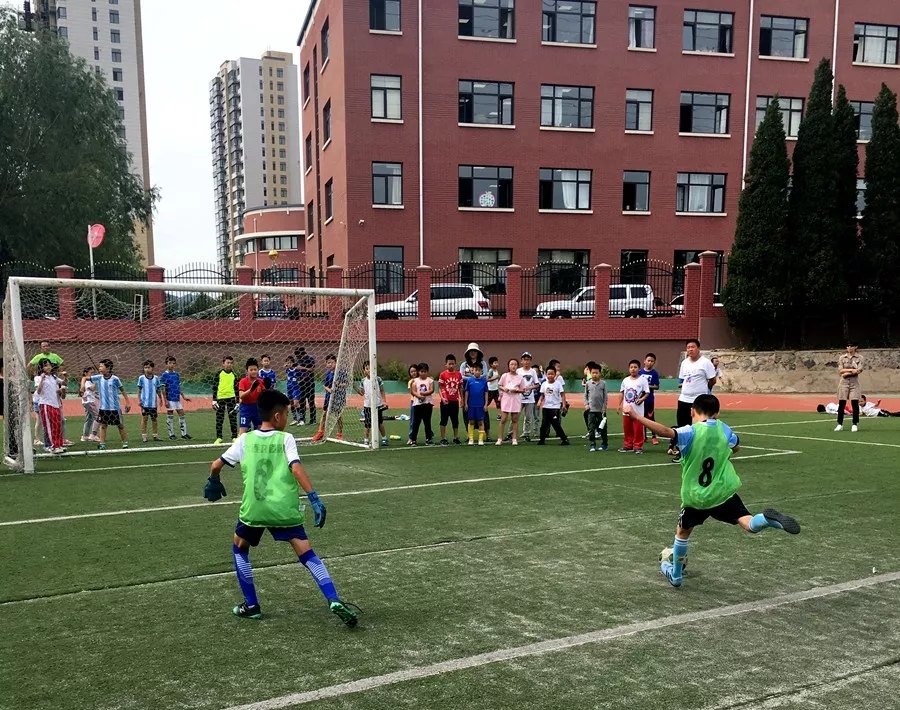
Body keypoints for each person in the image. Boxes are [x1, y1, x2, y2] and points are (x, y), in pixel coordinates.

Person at [204, 389, 359, 625]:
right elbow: (295, 468)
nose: (287, 418)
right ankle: (333, 599)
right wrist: (313, 497)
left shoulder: (245, 440)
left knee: (240, 547)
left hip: (255, 509)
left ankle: (251, 605)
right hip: (284, 510)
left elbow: (216, 465)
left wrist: (214, 480)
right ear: (277, 416)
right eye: (287, 413)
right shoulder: (285, 438)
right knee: (307, 554)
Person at [623, 394, 800, 588]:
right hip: (723, 492)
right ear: (717, 413)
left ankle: (676, 576)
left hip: (697, 497)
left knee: (682, 533)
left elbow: (666, 432)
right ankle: (768, 520)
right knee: (747, 522)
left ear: (692, 411)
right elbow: (735, 446)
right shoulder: (724, 429)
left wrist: (636, 416)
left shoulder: (690, 431)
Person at [670, 339, 717, 462]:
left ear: (698, 348)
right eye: (688, 347)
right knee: (682, 427)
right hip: (684, 399)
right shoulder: (684, 363)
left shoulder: (705, 363)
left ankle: (701, 453)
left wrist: (705, 390)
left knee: (700, 427)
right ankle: (682, 454)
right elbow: (682, 380)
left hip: (699, 401)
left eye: (693, 347)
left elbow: (712, 380)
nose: (690, 349)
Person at [92, 359, 131, 450]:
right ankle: (102, 444)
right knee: (103, 426)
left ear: (108, 368)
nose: (99, 368)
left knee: (120, 425)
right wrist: (82, 385)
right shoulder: (99, 378)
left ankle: (125, 443)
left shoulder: (115, 379)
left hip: (115, 408)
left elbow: (122, 390)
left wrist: (128, 402)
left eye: (101, 366)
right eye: (99, 366)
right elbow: (85, 378)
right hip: (103, 408)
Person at [617, 359, 650, 454]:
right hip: (626, 409)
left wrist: (642, 399)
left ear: (639, 369)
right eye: (631, 367)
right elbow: (622, 392)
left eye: (635, 367)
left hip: (638, 411)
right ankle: (628, 445)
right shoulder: (625, 380)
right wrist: (619, 404)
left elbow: (647, 392)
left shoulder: (643, 380)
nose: (633, 369)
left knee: (638, 428)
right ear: (629, 369)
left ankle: (638, 446)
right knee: (627, 429)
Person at [312, 354, 346, 441]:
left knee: (338, 416)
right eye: (328, 363)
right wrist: (329, 390)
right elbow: (325, 385)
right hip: (328, 397)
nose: (329, 364)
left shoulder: (341, 372)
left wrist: (339, 385)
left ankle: (339, 434)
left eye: (331, 362)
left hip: (338, 397)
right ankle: (320, 432)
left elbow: (346, 384)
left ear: (336, 362)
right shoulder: (328, 373)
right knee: (324, 414)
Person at [34, 358, 65, 453]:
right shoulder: (38, 378)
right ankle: (52, 446)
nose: (48, 367)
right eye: (45, 365)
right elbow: (38, 391)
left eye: (49, 365)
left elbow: (63, 383)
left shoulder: (53, 377)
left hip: (55, 404)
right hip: (45, 404)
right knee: (49, 427)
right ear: (41, 368)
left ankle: (59, 445)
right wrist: (42, 379)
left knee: (57, 425)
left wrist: (65, 377)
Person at [461, 343, 491, 440]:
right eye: (471, 351)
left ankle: (487, 434)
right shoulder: (464, 364)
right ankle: (469, 435)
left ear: (478, 353)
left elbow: (485, 375)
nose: (473, 353)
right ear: (468, 353)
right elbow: (461, 376)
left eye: (474, 351)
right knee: (467, 412)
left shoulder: (483, 363)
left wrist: (472, 376)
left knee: (484, 412)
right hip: (467, 390)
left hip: (480, 390)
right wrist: (474, 377)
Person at [354, 360, 387, 447]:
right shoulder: (363, 381)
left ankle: (384, 438)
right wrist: (354, 386)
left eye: (370, 368)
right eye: (367, 368)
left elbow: (382, 390)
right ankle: (366, 439)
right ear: (364, 370)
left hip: (378, 405)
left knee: (379, 423)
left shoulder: (378, 379)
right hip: (367, 406)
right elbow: (361, 393)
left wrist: (384, 401)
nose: (369, 370)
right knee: (367, 424)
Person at [160, 356, 191, 440]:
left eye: (173, 363)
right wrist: (165, 400)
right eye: (170, 363)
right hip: (170, 398)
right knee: (170, 415)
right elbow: (163, 388)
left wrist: (183, 397)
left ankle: (184, 434)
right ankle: (171, 434)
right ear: (166, 364)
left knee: (182, 414)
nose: (172, 365)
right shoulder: (164, 375)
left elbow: (178, 386)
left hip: (177, 398)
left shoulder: (176, 374)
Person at [537, 366, 570, 446]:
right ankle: (542, 439)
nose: (550, 376)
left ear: (555, 375)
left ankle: (564, 439)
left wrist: (564, 405)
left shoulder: (558, 384)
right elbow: (542, 395)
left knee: (556, 424)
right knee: (544, 424)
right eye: (548, 374)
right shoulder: (544, 384)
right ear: (546, 375)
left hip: (555, 407)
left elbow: (562, 395)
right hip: (546, 407)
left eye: (552, 374)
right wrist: (539, 401)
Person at [835, 342, 863, 432]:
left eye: (851, 346)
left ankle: (855, 423)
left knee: (854, 403)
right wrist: (851, 370)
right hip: (843, 383)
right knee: (842, 403)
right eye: (848, 346)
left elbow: (858, 370)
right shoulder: (842, 357)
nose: (849, 347)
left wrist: (846, 373)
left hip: (854, 383)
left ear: (855, 347)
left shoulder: (860, 357)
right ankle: (840, 424)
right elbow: (840, 370)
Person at [496, 358, 524, 446]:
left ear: (517, 366)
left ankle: (514, 438)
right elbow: (499, 385)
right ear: (508, 366)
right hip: (506, 398)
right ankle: (500, 438)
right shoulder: (504, 375)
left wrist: (517, 390)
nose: (513, 366)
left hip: (515, 399)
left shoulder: (520, 377)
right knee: (503, 419)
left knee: (514, 419)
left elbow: (523, 389)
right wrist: (504, 388)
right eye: (511, 364)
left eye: (515, 364)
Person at [212, 355, 239, 444]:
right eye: (227, 363)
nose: (229, 364)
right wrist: (214, 400)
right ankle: (219, 437)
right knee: (219, 419)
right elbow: (215, 387)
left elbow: (237, 389)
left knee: (233, 418)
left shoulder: (234, 375)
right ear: (223, 364)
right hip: (220, 399)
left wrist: (238, 402)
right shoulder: (218, 374)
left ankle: (234, 437)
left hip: (231, 398)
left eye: (231, 363)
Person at [438, 354, 462, 446]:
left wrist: (461, 398)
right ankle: (443, 438)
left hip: (454, 401)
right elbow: (440, 387)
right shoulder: (443, 374)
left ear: (455, 364)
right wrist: (442, 398)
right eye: (449, 364)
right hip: (445, 401)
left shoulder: (458, 374)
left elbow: (460, 387)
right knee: (444, 420)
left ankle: (456, 437)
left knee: (455, 420)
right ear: (446, 364)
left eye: (453, 364)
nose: (451, 365)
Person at [409, 362, 435, 446]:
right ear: (418, 372)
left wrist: (425, 393)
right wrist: (419, 396)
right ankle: (413, 439)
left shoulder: (430, 380)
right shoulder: (415, 381)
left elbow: (432, 389)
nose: (423, 373)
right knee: (416, 422)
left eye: (425, 371)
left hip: (428, 404)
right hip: (417, 404)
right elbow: (413, 391)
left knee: (427, 422)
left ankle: (428, 439)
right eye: (421, 371)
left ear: (427, 372)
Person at [137, 360, 163, 443]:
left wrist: (161, 398)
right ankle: (144, 436)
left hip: (153, 404)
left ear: (152, 368)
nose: (147, 369)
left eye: (148, 367)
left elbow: (158, 389)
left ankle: (155, 435)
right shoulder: (141, 378)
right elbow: (139, 390)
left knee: (154, 419)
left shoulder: (156, 378)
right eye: (145, 367)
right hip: (145, 403)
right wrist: (139, 400)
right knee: (144, 419)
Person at [585, 362, 608, 452]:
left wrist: (604, 408)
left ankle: (604, 444)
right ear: (590, 373)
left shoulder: (603, 383)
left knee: (603, 428)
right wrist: (586, 404)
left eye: (596, 373)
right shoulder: (588, 383)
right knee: (591, 428)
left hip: (601, 411)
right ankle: (592, 444)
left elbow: (605, 397)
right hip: (591, 410)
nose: (595, 374)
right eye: (593, 373)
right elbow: (585, 395)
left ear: (600, 373)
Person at [517, 352, 540, 441]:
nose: (526, 362)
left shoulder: (532, 371)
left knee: (528, 417)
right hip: (519, 397)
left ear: (530, 361)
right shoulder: (518, 371)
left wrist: (529, 387)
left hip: (530, 398)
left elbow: (537, 384)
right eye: (524, 360)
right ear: (521, 361)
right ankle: (510, 433)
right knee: (515, 416)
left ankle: (526, 433)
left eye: (528, 360)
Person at [639, 353, 661, 445]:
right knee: (642, 418)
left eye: (652, 361)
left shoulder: (654, 373)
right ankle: (644, 436)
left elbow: (657, 386)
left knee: (651, 418)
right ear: (644, 361)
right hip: (640, 400)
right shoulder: (639, 372)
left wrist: (648, 386)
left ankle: (654, 436)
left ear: (654, 362)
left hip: (650, 400)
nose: (650, 362)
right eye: (648, 360)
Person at [238, 358, 264, 435]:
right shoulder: (243, 381)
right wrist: (251, 389)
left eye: (255, 369)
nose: (253, 371)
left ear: (258, 370)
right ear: (247, 371)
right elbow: (241, 396)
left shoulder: (260, 381)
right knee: (243, 432)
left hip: (257, 408)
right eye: (251, 370)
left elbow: (264, 395)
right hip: (246, 408)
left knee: (260, 431)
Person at [295, 346, 317, 427]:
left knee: (311, 401)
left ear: (301, 354)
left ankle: (313, 420)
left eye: (298, 356)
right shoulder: (298, 360)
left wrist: (303, 368)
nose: (297, 358)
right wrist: (298, 380)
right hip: (301, 384)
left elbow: (312, 369)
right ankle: (302, 420)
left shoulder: (310, 359)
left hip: (309, 383)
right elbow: (297, 370)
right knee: (302, 402)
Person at [78, 366, 100, 442]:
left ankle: (85, 436)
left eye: (93, 373)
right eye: (91, 373)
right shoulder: (87, 381)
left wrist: (97, 396)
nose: (92, 374)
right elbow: (92, 388)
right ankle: (93, 435)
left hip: (87, 402)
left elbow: (91, 392)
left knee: (89, 419)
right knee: (98, 417)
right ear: (85, 373)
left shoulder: (88, 381)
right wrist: (96, 381)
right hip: (89, 402)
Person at [285, 355, 302, 426]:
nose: (289, 364)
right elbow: (287, 377)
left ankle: (301, 420)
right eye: (287, 363)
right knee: (291, 403)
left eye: (290, 362)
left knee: (296, 403)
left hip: (296, 388)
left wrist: (299, 381)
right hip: (289, 388)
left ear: (293, 363)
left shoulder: (297, 369)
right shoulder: (287, 370)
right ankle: (295, 419)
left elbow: (303, 375)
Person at [486, 356, 501, 421]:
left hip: (495, 389)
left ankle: (499, 415)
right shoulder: (491, 371)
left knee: (498, 402)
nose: (497, 364)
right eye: (495, 363)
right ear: (491, 364)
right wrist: (495, 378)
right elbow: (487, 379)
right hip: (490, 390)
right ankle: (482, 411)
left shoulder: (496, 370)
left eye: (497, 362)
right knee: (487, 402)